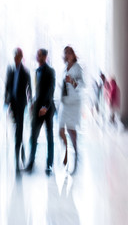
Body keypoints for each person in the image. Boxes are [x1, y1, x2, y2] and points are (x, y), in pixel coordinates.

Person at [24, 49, 55, 176]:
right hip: (37, 108)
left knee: (49, 137)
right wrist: (33, 103)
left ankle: (49, 165)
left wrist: (45, 106)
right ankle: (31, 163)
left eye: (40, 55)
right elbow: (37, 91)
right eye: (37, 55)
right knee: (33, 136)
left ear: (45, 56)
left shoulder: (50, 71)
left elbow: (50, 90)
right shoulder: (37, 71)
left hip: (47, 108)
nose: (38, 57)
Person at [4, 48, 32, 172]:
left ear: (21, 57)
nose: (16, 58)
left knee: (19, 128)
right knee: (16, 128)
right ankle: (22, 148)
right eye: (15, 56)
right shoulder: (10, 70)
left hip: (21, 104)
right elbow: (7, 86)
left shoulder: (25, 72)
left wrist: (30, 102)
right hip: (13, 104)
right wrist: (6, 100)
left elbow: (29, 89)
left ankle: (18, 155)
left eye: (18, 56)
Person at [59, 46, 84, 174]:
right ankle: (67, 152)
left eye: (69, 53)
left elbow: (82, 85)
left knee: (72, 131)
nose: (67, 55)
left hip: (73, 103)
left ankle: (76, 154)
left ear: (73, 54)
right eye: (65, 53)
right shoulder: (64, 68)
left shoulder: (78, 68)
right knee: (60, 130)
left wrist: (72, 81)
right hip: (65, 102)